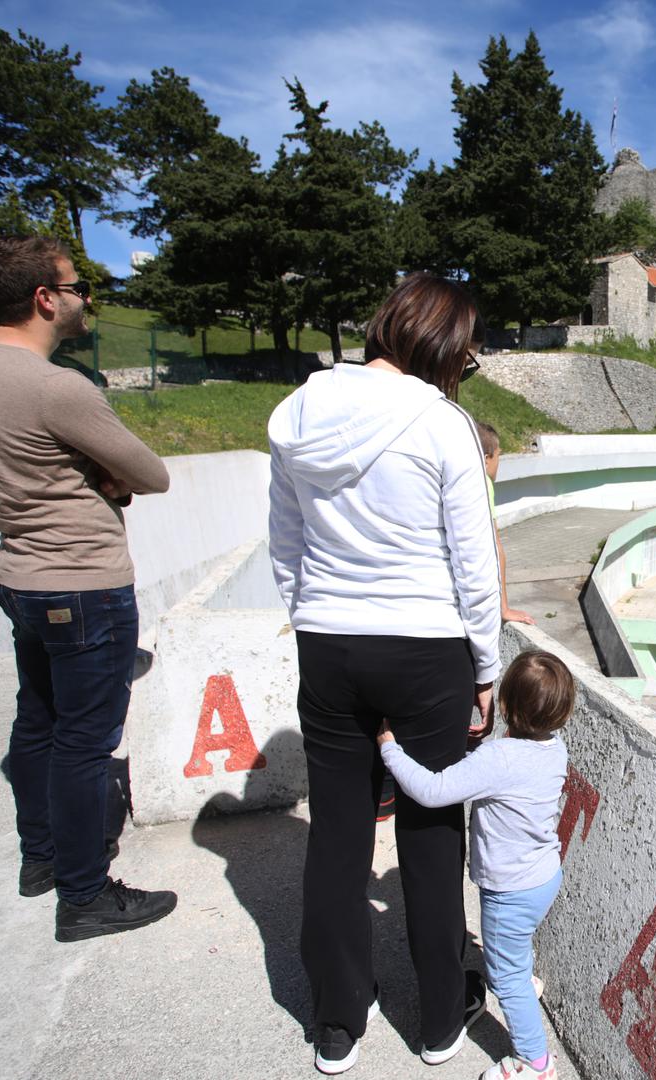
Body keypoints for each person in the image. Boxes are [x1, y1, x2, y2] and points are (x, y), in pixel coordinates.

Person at [268, 273, 501, 1075]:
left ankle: (337, 1021)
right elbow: (472, 559)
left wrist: (313, 621)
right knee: (430, 831)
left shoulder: (297, 409)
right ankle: (439, 1022)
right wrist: (485, 664)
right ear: (437, 343)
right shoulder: (443, 424)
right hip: (425, 646)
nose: (462, 367)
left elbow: (286, 540)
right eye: (463, 352)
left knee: (337, 831)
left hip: (329, 640)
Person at [0, 235, 177, 941]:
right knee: (85, 743)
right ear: (45, 299)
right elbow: (150, 472)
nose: (85, 300)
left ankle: (42, 861)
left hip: (17, 572)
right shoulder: (55, 385)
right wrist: (102, 476)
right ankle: (84, 896)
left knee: (38, 721)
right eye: (77, 288)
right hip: (82, 581)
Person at [378, 650, 572, 1080]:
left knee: (505, 977)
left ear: (503, 706)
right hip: (543, 876)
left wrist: (390, 751)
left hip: (510, 888)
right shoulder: (555, 750)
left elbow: (432, 790)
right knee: (514, 947)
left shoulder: (498, 758)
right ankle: (522, 979)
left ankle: (534, 1063)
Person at [475, 421, 535, 626]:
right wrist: (504, 608)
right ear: (486, 459)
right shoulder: (483, 484)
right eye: (498, 455)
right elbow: (495, 548)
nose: (499, 461)